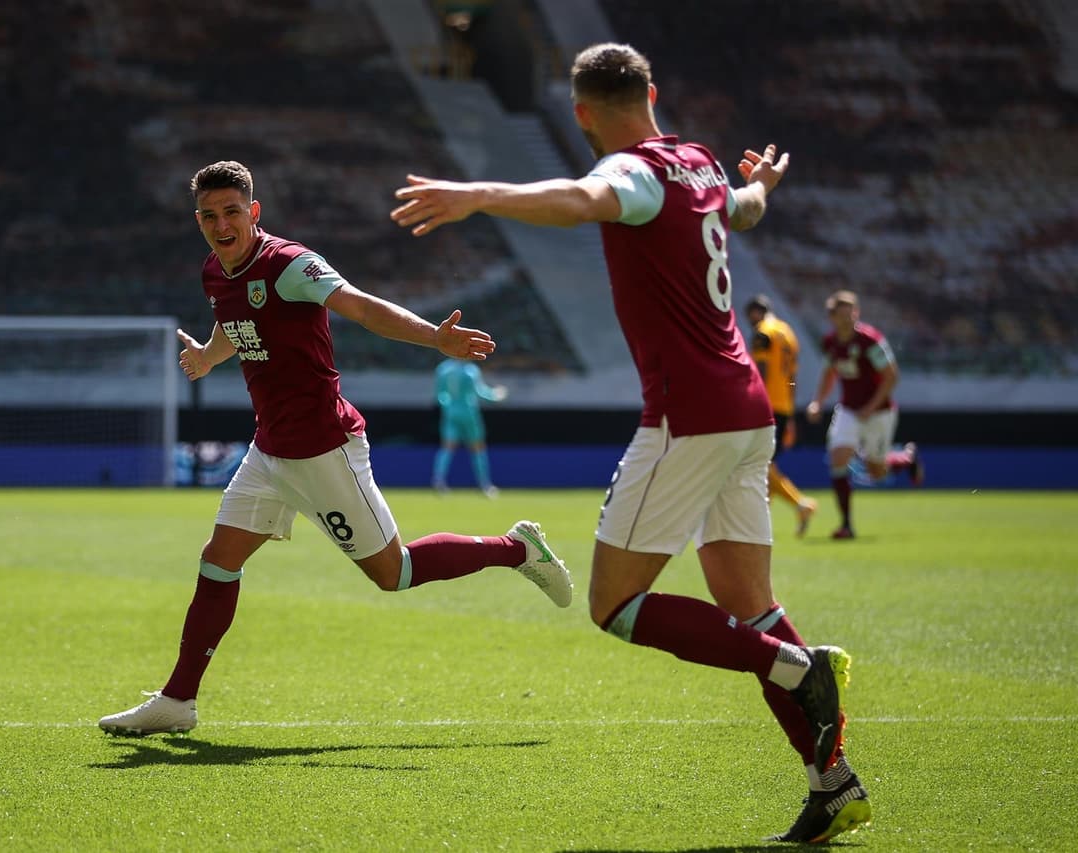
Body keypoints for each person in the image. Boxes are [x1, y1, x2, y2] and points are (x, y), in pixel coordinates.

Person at [390, 43, 870, 844]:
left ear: (581, 112)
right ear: (652, 91)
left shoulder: (634, 172)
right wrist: (763, 185)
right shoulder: (699, 162)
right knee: (751, 607)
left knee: (615, 605)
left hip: (690, 417)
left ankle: (797, 665)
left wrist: (479, 194)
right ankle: (835, 781)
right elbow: (744, 210)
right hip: (748, 409)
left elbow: (584, 198)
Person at [99, 160, 572, 736]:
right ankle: (178, 701)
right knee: (218, 562)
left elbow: (362, 306)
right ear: (197, 220)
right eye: (208, 216)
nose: (221, 225)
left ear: (254, 212)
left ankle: (516, 549)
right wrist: (207, 356)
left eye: (231, 212)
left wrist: (433, 337)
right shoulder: (214, 272)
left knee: (394, 573)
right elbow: (235, 324)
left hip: (325, 449)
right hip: (270, 452)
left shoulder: (290, 264)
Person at [806, 290, 923, 540]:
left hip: (879, 413)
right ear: (832, 317)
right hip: (848, 410)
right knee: (838, 457)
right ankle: (846, 525)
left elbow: (892, 376)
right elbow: (829, 373)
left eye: (852, 313)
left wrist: (870, 407)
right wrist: (818, 402)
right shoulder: (830, 342)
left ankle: (907, 458)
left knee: (876, 471)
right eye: (843, 315)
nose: (849, 319)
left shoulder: (870, 341)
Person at [744, 294, 817, 537]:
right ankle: (759, 519)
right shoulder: (788, 334)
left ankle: (800, 504)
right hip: (784, 406)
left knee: (758, 463)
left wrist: (755, 401)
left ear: (755, 312)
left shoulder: (763, 333)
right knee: (766, 464)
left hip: (766, 405)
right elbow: (792, 378)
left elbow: (761, 371)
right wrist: (791, 411)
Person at [432, 356, 507, 497]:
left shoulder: (443, 369)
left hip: (451, 413)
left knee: (447, 447)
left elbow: (440, 395)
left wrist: (448, 408)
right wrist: (496, 395)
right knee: (478, 448)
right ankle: (485, 485)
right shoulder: (470, 370)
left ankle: (438, 480)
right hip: (469, 413)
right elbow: (480, 392)